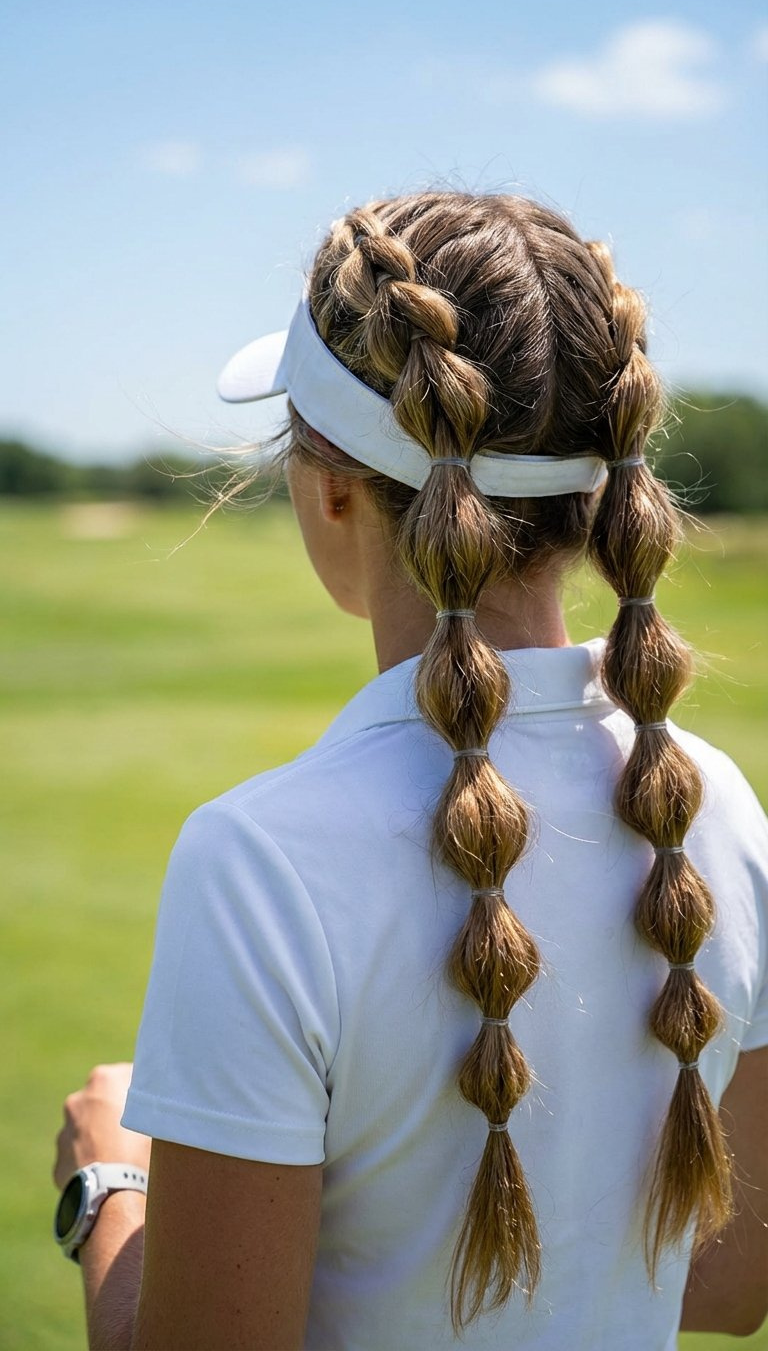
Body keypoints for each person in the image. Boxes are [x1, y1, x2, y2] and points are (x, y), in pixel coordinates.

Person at [53, 191, 768, 1351]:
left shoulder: (260, 860)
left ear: (330, 481)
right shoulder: (717, 805)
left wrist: (109, 1191)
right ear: (595, 495)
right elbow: (728, 1288)